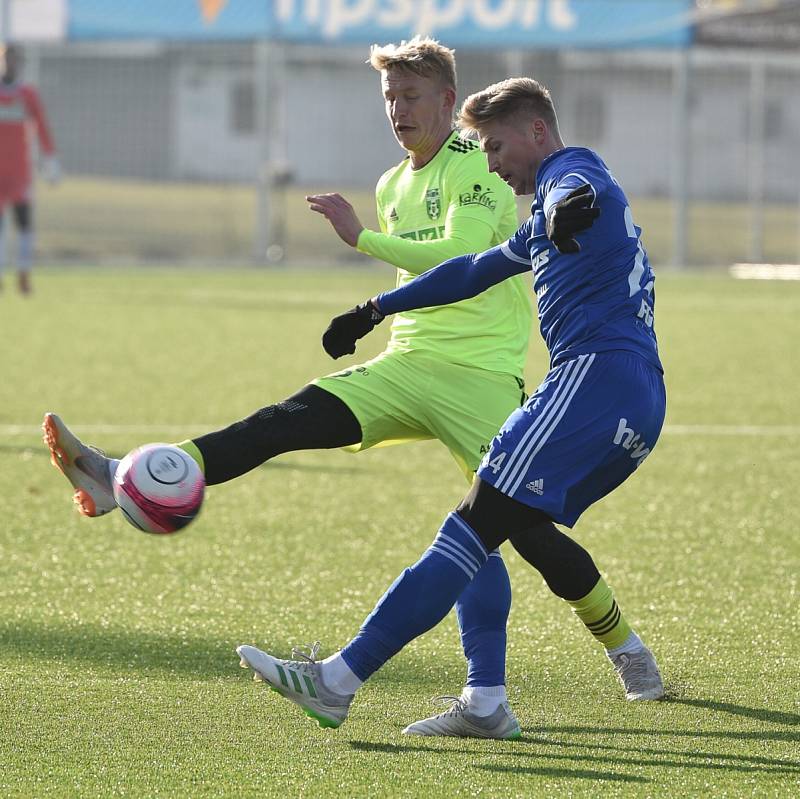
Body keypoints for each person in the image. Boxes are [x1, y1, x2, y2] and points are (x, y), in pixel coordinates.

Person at [44, 37, 533, 739]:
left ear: (449, 103)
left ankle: (614, 649)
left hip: (482, 376)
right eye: (390, 97)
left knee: (507, 534)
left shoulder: (473, 167)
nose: (398, 109)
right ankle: (123, 475)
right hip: (407, 365)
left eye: (412, 96)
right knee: (287, 419)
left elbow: (461, 257)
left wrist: (361, 242)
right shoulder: (394, 182)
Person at [235, 76, 667, 735]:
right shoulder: (540, 221)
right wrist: (376, 306)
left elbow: (583, 192)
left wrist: (558, 209)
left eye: (496, 146)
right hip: (634, 397)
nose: (492, 163)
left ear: (537, 132)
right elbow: (470, 270)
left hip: (593, 382)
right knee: (483, 528)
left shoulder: (571, 173)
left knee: (470, 530)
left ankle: (338, 681)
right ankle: (491, 699)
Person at [0, 43, 60, 295]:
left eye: (16, 59)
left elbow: (42, 127)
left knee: (24, 223)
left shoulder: (27, 95)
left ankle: (23, 275)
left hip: (19, 171)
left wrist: (50, 159)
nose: (12, 63)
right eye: (7, 58)